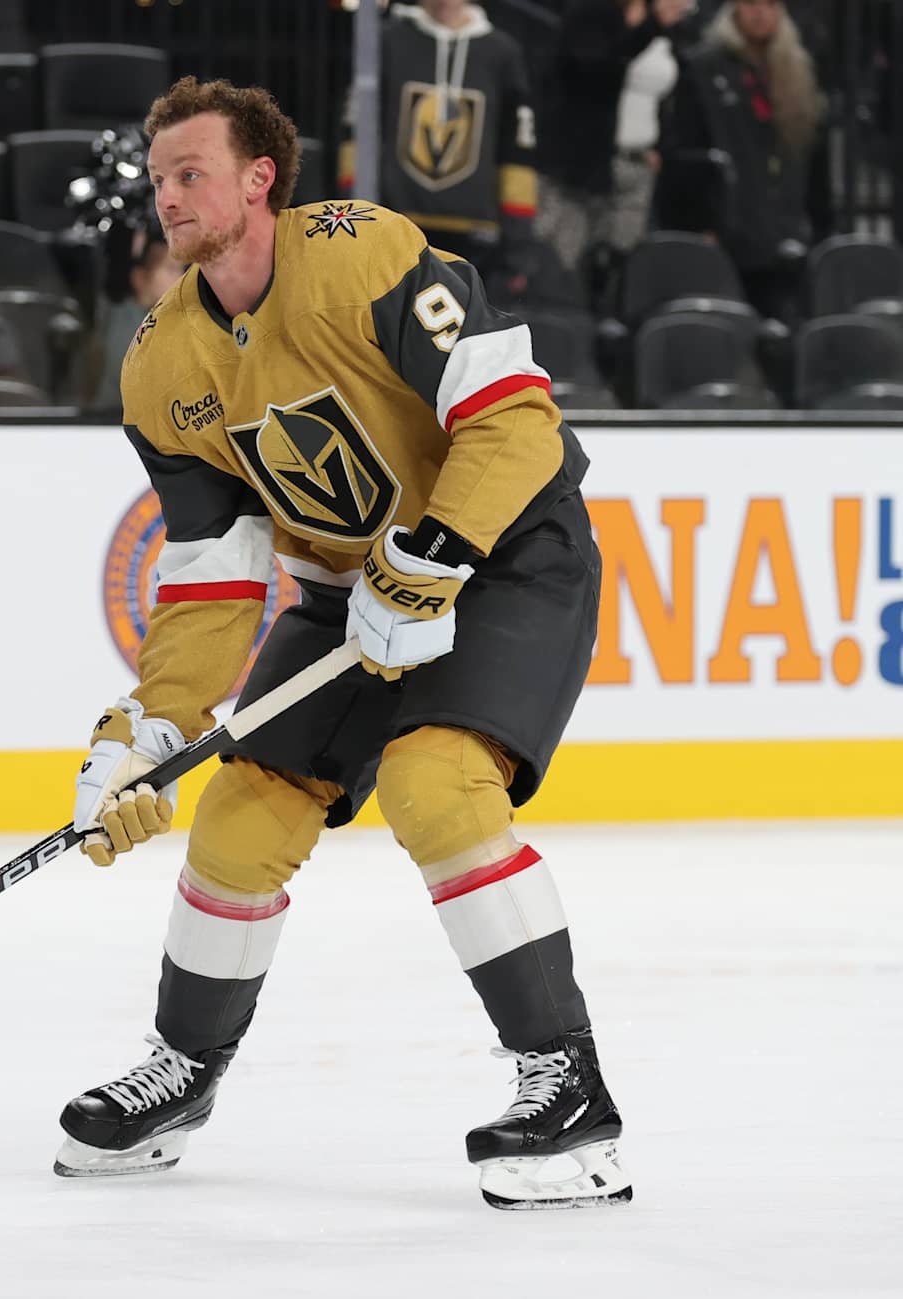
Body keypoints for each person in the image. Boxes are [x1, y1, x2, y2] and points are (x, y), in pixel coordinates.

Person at [57, 76, 626, 1211]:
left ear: (259, 178)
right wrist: (150, 726)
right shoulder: (162, 366)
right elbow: (216, 575)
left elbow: (513, 416)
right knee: (237, 811)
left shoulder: (362, 254)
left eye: (191, 173)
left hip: (509, 551)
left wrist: (432, 556)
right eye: (159, 179)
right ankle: (184, 1069)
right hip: (347, 595)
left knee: (436, 784)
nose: (166, 197)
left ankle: (567, 1091)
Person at [339, 0, 538, 293]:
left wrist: (518, 247)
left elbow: (517, 152)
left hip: (475, 236)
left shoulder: (502, 53)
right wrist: (353, 214)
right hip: (395, 226)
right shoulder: (389, 41)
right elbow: (357, 133)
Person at [658, 0, 826, 320]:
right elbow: (684, 153)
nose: (760, 13)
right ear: (734, 9)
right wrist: (700, 222)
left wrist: (819, 226)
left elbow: (814, 154)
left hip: (787, 228)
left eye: (769, 4)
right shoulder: (703, 68)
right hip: (728, 228)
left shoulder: (798, 69)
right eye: (750, 3)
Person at [535, 0, 694, 275]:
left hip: (636, 167)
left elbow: (674, 93)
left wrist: (661, 146)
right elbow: (593, 71)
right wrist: (651, 27)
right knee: (562, 265)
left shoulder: (666, 21)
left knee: (619, 268)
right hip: (579, 166)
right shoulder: (589, 13)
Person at [88, 227, 181, 414]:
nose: (180, 278)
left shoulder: (163, 321)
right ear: (140, 277)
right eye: (170, 269)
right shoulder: (124, 325)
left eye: (181, 270)